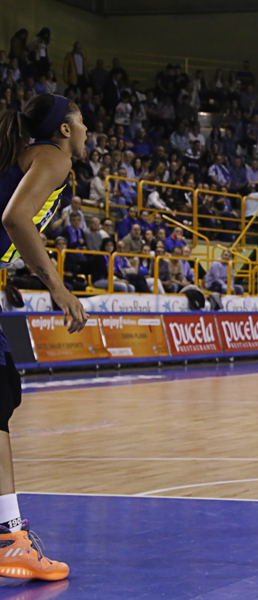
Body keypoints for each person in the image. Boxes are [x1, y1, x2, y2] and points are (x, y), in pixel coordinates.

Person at [0, 93, 89, 580]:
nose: (87, 131)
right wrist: (57, 288)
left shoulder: (21, 156)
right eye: (82, 122)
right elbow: (14, 218)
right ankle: (9, 537)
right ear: (63, 131)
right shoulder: (53, 159)